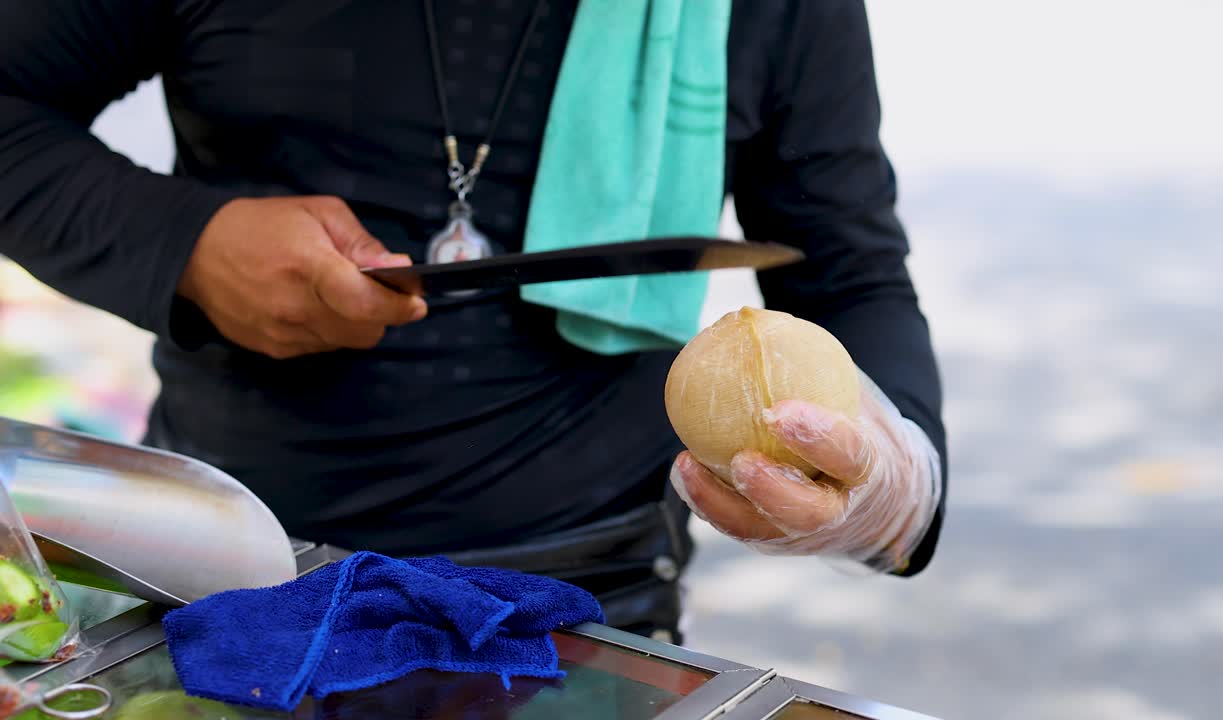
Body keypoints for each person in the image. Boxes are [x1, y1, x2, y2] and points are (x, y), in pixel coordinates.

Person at [0, 0, 947, 644]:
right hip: (227, 561)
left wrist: (897, 486)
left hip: (587, 594)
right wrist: (190, 244)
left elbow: (849, 268)